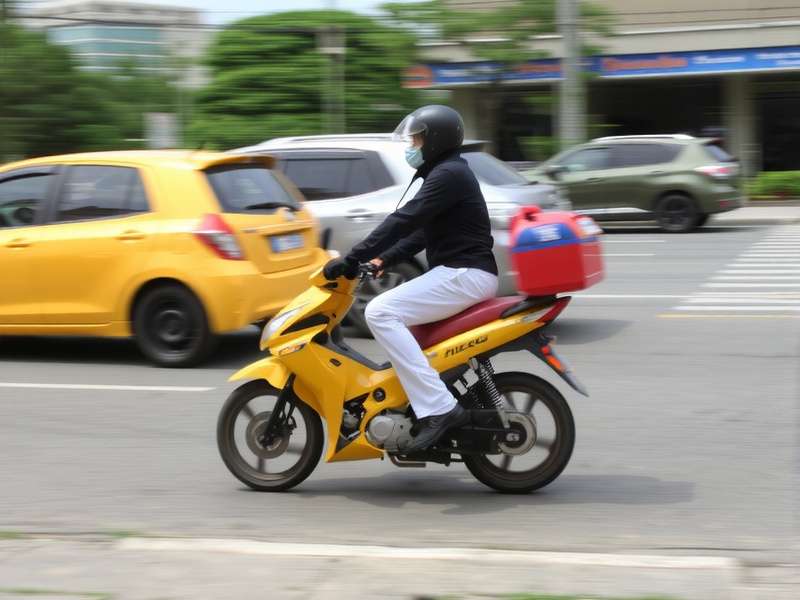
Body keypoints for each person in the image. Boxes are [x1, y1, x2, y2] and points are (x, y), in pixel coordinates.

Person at [323, 105, 499, 452]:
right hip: (462, 272)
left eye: (417, 138)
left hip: (465, 273)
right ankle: (425, 402)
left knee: (379, 312)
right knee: (403, 327)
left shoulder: (448, 175)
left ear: (435, 140)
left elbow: (404, 219)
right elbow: (421, 234)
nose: (412, 146)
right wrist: (382, 260)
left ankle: (440, 409)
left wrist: (351, 258)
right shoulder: (447, 173)